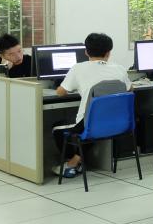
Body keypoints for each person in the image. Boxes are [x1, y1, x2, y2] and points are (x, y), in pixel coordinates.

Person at [53, 33, 130, 177]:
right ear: (108, 52)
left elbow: (60, 92)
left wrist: (74, 86)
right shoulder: (120, 69)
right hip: (117, 123)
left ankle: (72, 163)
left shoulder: (78, 68)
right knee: (92, 120)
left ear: (86, 52)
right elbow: (130, 89)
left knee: (58, 128)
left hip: (91, 124)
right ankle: (77, 161)